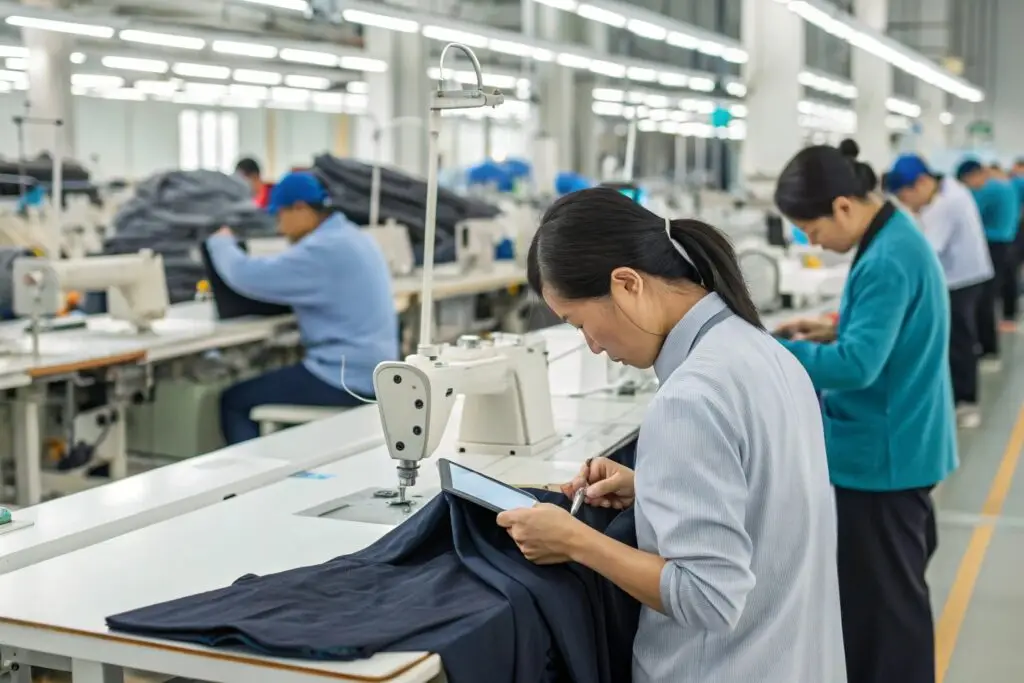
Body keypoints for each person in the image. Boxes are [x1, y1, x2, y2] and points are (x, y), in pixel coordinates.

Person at [495, 187, 845, 683]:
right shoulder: (763, 351)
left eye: (578, 323)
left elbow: (708, 597)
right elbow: (768, 498)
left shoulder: (690, 396)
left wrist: (575, 541)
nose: (591, 346)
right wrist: (656, 487)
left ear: (626, 284)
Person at [773, 145, 957, 683]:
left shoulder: (886, 259)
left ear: (843, 207)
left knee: (887, 618)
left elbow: (856, 367)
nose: (812, 241)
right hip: (900, 442)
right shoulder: (893, 236)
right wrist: (830, 328)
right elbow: (886, 333)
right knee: (890, 605)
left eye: (811, 227)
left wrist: (771, 351)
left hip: (883, 458)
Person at [206, 171, 399, 444]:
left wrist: (220, 242)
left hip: (346, 377)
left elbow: (244, 275)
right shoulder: (353, 236)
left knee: (233, 400)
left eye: (280, 216)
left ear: (300, 209)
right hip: (376, 371)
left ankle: (254, 482)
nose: (279, 227)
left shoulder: (322, 249)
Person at [885, 154, 993, 428]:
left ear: (922, 183)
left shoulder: (945, 204)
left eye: (906, 196)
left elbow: (928, 250)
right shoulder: (949, 189)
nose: (908, 204)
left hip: (960, 279)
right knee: (960, 338)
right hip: (967, 274)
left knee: (959, 341)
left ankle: (967, 403)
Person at [957, 158, 1020, 344]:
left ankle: (988, 345)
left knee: (986, 297)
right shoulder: (1007, 186)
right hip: (1007, 239)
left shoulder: (989, 189)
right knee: (1002, 285)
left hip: (993, 243)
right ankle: (1001, 326)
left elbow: (970, 213)